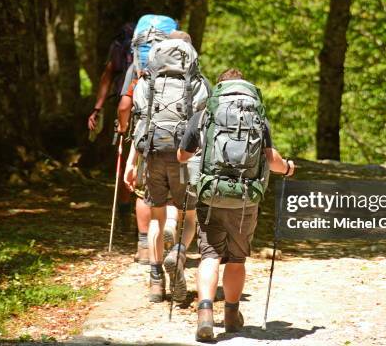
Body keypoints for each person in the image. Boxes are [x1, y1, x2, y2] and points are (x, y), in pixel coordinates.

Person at [176, 68, 295, 342]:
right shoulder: (257, 117)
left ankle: (205, 313)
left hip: (210, 194)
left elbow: (182, 156)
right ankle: (231, 315)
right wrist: (288, 168)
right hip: (245, 198)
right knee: (237, 259)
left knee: (209, 255)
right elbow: (271, 160)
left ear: (219, 88)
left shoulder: (206, 114)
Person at [124, 34, 209, 304]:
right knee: (190, 215)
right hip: (185, 157)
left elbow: (140, 123)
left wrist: (131, 162)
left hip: (152, 154)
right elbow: (202, 127)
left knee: (155, 219)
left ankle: (156, 281)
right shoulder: (198, 83)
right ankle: (180, 252)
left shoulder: (146, 83)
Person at [86, 23, 147, 258]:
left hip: (130, 110)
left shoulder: (121, 47)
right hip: (163, 117)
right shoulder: (165, 51)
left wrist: (97, 108)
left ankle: (125, 217)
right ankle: (150, 224)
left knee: (127, 163)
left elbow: (107, 76)